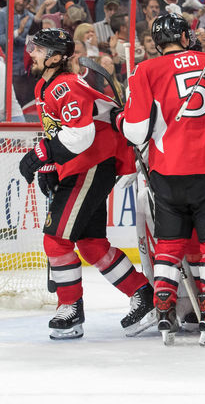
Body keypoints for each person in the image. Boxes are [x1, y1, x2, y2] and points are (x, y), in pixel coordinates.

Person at [111, 13, 205, 346]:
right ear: (185, 37)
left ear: (157, 43)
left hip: (167, 172)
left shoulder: (146, 70)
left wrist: (121, 119)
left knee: (169, 243)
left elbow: (136, 131)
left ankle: (164, 308)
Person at [19, 28, 155, 340]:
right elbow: (58, 132)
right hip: (83, 165)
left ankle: (69, 308)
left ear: (55, 57)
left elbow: (81, 135)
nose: (31, 54)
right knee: (92, 244)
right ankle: (143, 294)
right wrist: (50, 166)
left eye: (38, 49)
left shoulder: (65, 86)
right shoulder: (46, 86)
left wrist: (40, 154)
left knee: (56, 240)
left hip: (91, 164)